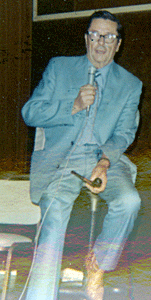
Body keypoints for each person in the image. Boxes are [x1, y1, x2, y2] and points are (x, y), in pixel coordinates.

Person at [22, 10, 142, 300]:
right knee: (54, 211)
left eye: (108, 36)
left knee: (129, 201)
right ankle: (39, 296)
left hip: (104, 161)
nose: (101, 42)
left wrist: (104, 163)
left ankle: (98, 263)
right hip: (64, 159)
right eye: (95, 35)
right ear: (86, 38)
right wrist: (72, 106)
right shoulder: (59, 68)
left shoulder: (130, 84)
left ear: (118, 43)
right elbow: (30, 112)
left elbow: (125, 132)